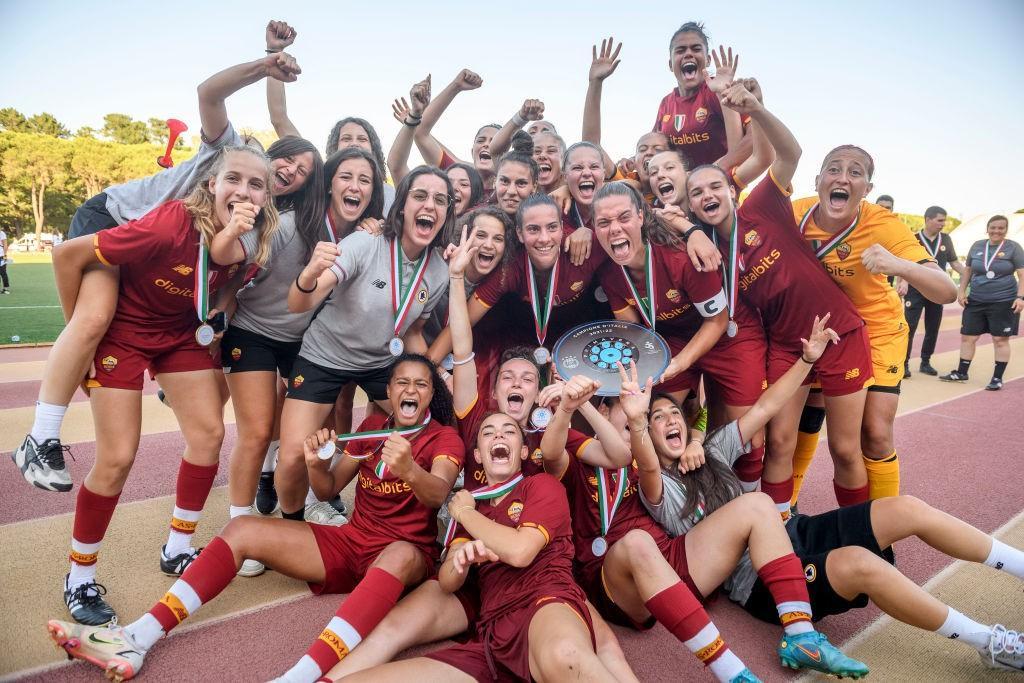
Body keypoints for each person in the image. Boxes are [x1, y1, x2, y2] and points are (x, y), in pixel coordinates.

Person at [47, 355, 464, 682]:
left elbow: (437, 494)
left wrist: (410, 469)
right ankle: (138, 636)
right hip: (355, 542)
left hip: (404, 555)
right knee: (243, 528)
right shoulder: (373, 425)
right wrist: (314, 462)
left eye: (421, 384)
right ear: (388, 391)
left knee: (399, 555)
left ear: (430, 394)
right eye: (402, 383)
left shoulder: (443, 437)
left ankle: (300, 676)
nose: (411, 389)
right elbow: (327, 490)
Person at [639, 321, 1024, 675]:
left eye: (674, 412)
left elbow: (767, 406)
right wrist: (636, 412)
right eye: (657, 418)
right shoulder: (657, 487)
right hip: (757, 580)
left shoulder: (714, 449)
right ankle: (990, 643)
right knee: (862, 563)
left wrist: (808, 359)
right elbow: (646, 459)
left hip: (791, 533)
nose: (670, 419)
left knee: (907, 508)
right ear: (645, 434)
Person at [12, 47, 312, 494]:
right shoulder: (228, 153)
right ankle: (41, 435)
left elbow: (226, 269)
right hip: (116, 221)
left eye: (302, 173)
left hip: (157, 261)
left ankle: (178, 535)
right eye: (286, 159)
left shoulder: (255, 220)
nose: (290, 170)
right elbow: (209, 93)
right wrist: (265, 64)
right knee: (94, 318)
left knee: (199, 374)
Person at [39, 144, 280, 627]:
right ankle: (79, 577)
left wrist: (218, 307)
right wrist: (80, 334)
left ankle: (178, 546)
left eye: (257, 184)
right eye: (234, 178)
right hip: (123, 335)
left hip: (179, 337)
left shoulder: (257, 242)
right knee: (117, 457)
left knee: (209, 436)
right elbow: (67, 255)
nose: (244, 191)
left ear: (268, 197)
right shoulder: (171, 221)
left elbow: (225, 279)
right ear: (211, 183)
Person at [683, 82, 874, 516]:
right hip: (788, 346)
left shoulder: (763, 205)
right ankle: (778, 533)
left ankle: (860, 537)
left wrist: (756, 109)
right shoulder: (703, 250)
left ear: (733, 191)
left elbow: (790, 155)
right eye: (697, 194)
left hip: (838, 331)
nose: (708, 196)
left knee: (845, 450)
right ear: (692, 208)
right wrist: (686, 228)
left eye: (716, 187)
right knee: (777, 443)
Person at [345, 411, 620, 683]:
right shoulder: (477, 509)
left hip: (545, 602)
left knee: (566, 656)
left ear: (524, 452)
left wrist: (465, 513)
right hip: (493, 634)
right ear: (477, 455)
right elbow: (448, 582)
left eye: (509, 431)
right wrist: (460, 563)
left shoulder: (540, 486)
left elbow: (520, 551)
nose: (498, 434)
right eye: (488, 432)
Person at [208, 146, 383, 565]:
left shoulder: (369, 237)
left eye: (365, 180)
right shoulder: (289, 225)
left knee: (309, 435)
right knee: (256, 430)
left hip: (306, 343)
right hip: (255, 332)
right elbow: (229, 258)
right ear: (328, 184)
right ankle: (241, 526)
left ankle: (305, 502)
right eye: (345, 177)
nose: (354, 186)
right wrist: (222, 302)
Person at [275, 167, 453, 520]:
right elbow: (300, 303)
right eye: (420, 196)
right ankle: (292, 522)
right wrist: (309, 275)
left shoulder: (439, 269)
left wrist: (430, 373)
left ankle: (436, 501)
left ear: (447, 212)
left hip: (380, 363)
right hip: (323, 357)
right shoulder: (364, 243)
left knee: (433, 422)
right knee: (295, 451)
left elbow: (413, 328)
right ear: (401, 206)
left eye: (440, 199)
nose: (430, 205)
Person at [792, 144, 957, 500]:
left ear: (866, 189)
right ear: (818, 180)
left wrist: (899, 265)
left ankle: (882, 528)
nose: (843, 177)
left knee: (874, 434)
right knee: (804, 423)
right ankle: (786, 511)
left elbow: (946, 291)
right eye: (834, 169)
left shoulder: (883, 224)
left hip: (877, 331)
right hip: (823, 333)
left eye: (856, 172)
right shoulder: (795, 214)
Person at [592, 181, 768, 493]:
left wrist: (680, 363)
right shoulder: (610, 274)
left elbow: (716, 320)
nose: (615, 229)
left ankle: (750, 503)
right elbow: (636, 335)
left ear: (642, 218)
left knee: (749, 437)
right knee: (654, 417)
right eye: (604, 223)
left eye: (623, 218)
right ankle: (682, 500)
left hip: (728, 335)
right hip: (671, 340)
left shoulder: (681, 258)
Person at [941, 215, 1024, 391]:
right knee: (968, 337)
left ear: (1006, 230)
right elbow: (968, 271)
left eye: (1001, 228)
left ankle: (997, 378)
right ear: (987, 229)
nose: (996, 231)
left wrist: (1020, 297)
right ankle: (961, 372)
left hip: (1003, 301)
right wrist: (961, 291)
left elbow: (1022, 275)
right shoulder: (978, 246)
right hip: (976, 299)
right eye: (993, 227)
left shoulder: (1013, 248)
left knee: (1000, 339)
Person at [654, 22, 749, 169]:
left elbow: (753, 139)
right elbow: (653, 146)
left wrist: (710, 173)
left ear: (708, 59)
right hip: (679, 188)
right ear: (670, 64)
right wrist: (632, 160)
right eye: (680, 50)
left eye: (696, 49)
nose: (688, 54)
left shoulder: (718, 91)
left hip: (720, 184)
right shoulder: (666, 103)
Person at [901, 206, 965, 377]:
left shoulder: (946, 239)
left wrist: (969, 275)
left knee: (933, 327)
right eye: (940, 220)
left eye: (944, 220)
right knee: (909, 327)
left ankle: (925, 362)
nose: (943, 224)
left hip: (937, 291)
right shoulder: (913, 238)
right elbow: (904, 263)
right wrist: (904, 282)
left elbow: (955, 263)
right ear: (928, 219)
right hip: (915, 289)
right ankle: (903, 364)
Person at [413, 68, 499, 190]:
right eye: (481, 140)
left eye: (494, 142)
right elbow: (420, 133)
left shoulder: (517, 189)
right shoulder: (456, 174)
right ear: (472, 151)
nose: (486, 145)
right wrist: (456, 86)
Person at [0, 226, 9, 293]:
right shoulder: (2, 233)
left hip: (1, 255)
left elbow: (5, 245)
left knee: (3, 273)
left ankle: (5, 289)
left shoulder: (1, 233)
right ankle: (5, 289)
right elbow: (5, 245)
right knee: (3, 273)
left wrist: (5, 255)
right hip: (2, 255)